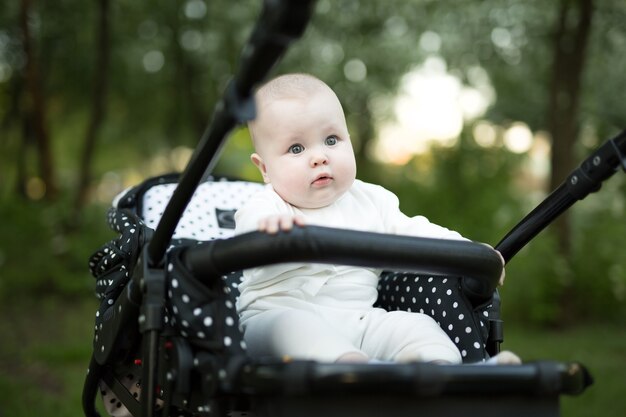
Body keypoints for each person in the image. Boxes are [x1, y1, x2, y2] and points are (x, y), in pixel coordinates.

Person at [234, 73, 518, 365]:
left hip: (359, 321)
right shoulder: (268, 205)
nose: (319, 157)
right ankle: (358, 374)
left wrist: (472, 254)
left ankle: (454, 377)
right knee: (295, 328)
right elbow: (250, 229)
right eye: (296, 148)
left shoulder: (372, 201)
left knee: (418, 328)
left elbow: (418, 233)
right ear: (265, 168)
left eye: (331, 140)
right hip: (276, 318)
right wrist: (268, 231)